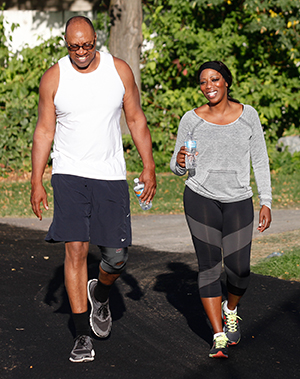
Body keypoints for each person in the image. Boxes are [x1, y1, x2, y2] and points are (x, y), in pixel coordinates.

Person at [30, 16, 156, 363]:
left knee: (116, 257)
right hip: (69, 173)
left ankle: (99, 293)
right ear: (66, 44)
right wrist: (36, 179)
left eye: (87, 45)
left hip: (110, 174)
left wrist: (148, 165)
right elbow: (44, 131)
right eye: (74, 47)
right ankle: (82, 335)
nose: (81, 52)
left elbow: (135, 119)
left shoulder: (118, 70)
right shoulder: (54, 77)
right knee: (75, 250)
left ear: (96, 40)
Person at [170, 61, 272, 359]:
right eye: (203, 82)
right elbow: (177, 167)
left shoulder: (248, 115)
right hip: (200, 197)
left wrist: (265, 200)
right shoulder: (192, 119)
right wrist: (180, 161)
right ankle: (218, 335)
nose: (209, 86)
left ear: (226, 82)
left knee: (239, 270)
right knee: (209, 267)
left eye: (214, 79)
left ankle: (231, 308)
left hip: (239, 198)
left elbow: (261, 159)